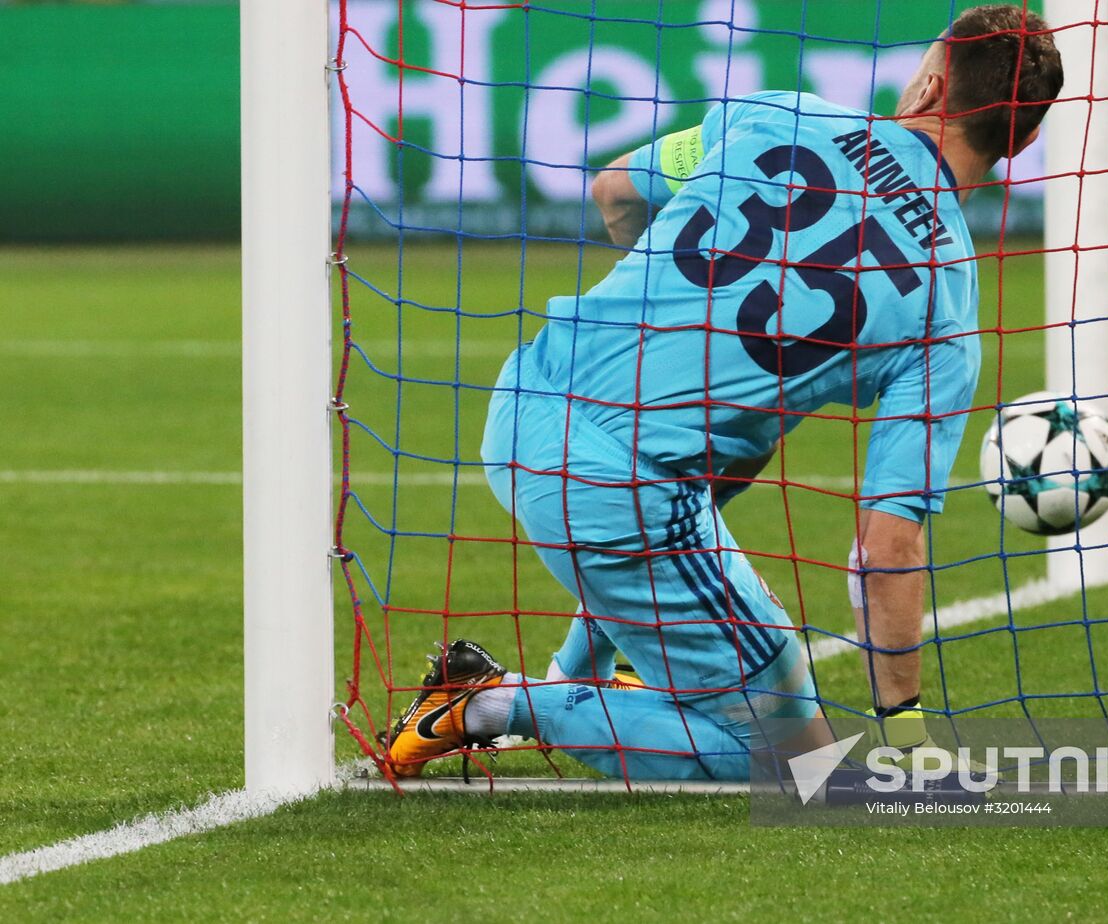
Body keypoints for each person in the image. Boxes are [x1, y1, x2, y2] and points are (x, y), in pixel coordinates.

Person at [385, 4, 1063, 781]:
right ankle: (484, 703)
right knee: (790, 764)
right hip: (620, 493)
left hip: (527, 401)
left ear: (932, 82)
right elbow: (886, 550)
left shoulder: (785, 113)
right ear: (1024, 140)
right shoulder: (947, 310)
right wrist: (903, 728)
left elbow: (614, 191)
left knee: (716, 462)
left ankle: (596, 671)